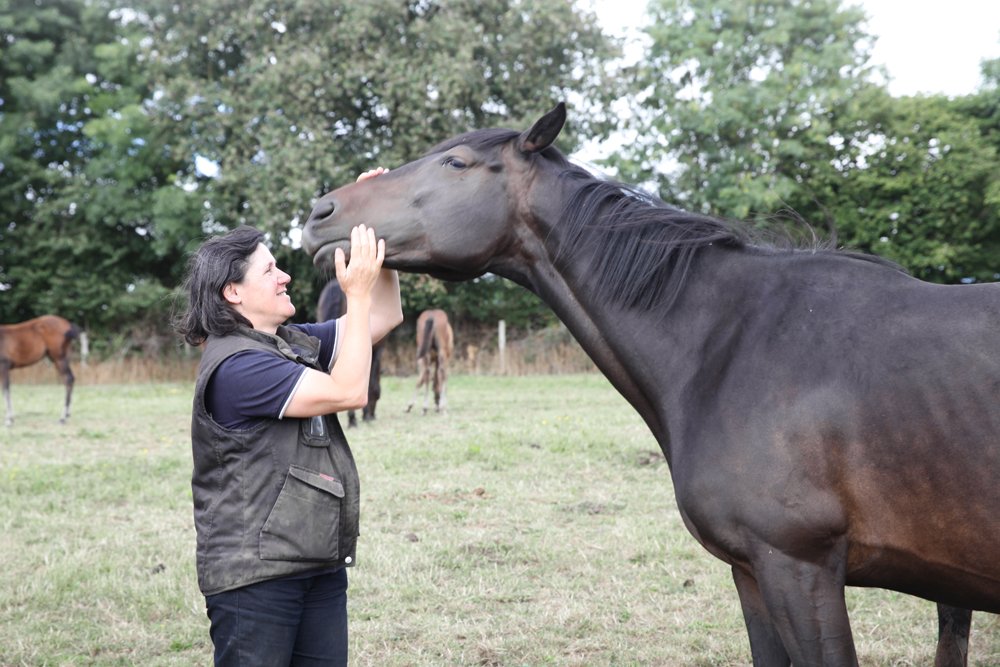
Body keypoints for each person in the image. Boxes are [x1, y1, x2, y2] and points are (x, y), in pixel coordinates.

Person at [173, 169, 403, 667]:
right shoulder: (238, 366)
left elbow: (383, 317)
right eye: (270, 270)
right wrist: (355, 293)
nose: (285, 277)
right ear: (233, 293)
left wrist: (377, 217)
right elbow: (350, 391)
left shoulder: (289, 342)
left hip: (313, 560)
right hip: (255, 578)